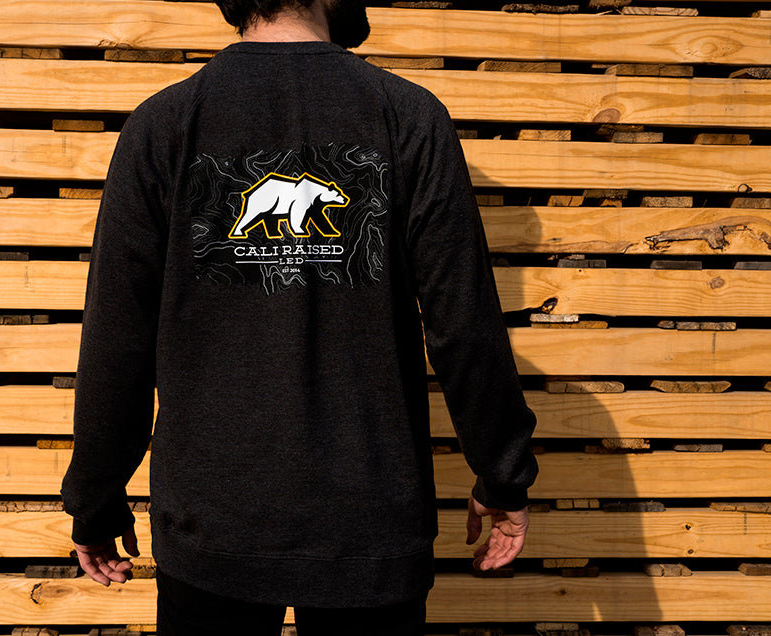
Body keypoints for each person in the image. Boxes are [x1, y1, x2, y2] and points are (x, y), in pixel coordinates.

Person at [60, 0, 538, 632]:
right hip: (368, 516)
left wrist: (95, 498)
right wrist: (502, 475)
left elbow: (117, 336)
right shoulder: (406, 114)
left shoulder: (166, 121)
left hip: (214, 518)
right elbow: (464, 323)